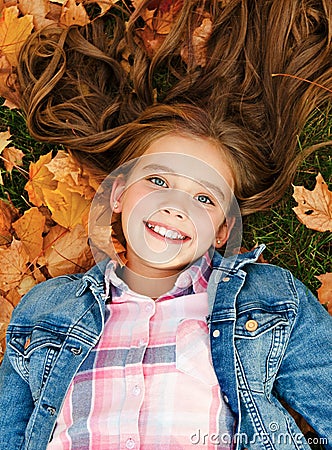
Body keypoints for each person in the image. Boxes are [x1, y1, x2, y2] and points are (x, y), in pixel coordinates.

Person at [0, 1, 331, 450]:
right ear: (118, 194)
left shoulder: (271, 300)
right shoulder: (45, 311)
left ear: (221, 228)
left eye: (203, 197)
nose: (177, 207)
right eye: (158, 180)